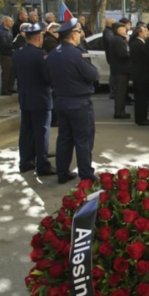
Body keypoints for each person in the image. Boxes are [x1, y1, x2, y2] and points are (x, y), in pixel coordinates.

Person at [46, 18, 99, 183]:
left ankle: (62, 172)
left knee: (64, 138)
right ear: (72, 35)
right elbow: (94, 75)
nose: (80, 34)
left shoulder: (53, 54)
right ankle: (86, 173)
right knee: (83, 139)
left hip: (61, 100)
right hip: (79, 102)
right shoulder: (77, 54)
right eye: (78, 31)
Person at [13, 23, 56, 177]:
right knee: (42, 132)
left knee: (26, 131)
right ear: (39, 38)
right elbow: (46, 76)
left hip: (25, 97)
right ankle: (42, 164)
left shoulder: (18, 52)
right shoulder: (40, 54)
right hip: (40, 98)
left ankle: (25, 162)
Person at [107, 22, 132, 119]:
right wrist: (130, 53)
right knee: (120, 93)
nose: (125, 30)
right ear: (117, 30)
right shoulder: (117, 40)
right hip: (120, 70)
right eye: (122, 29)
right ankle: (119, 112)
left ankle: (121, 111)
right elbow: (122, 54)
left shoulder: (119, 39)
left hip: (120, 69)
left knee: (121, 92)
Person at [129, 25, 149, 126]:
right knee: (142, 98)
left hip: (138, 74)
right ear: (140, 33)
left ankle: (140, 117)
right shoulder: (140, 44)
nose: (147, 33)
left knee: (140, 97)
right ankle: (141, 118)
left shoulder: (136, 43)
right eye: (145, 31)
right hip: (141, 75)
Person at [0, 16, 16, 95]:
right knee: (6, 72)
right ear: (5, 22)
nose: (12, 22)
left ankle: (10, 87)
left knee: (12, 72)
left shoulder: (8, 30)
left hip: (10, 53)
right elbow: (4, 44)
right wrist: (13, 46)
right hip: (5, 54)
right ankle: (4, 89)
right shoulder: (1, 32)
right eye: (10, 21)